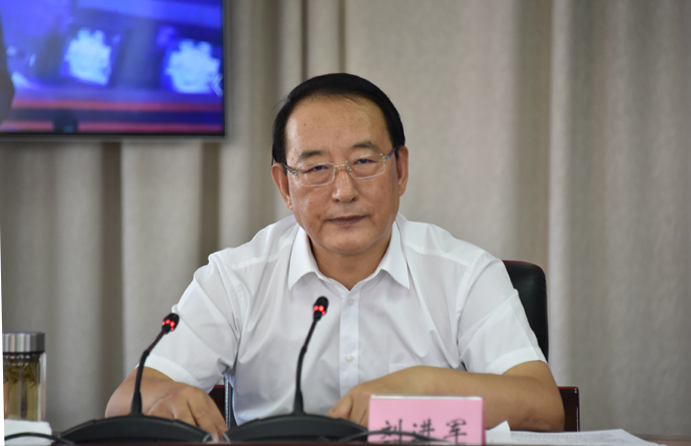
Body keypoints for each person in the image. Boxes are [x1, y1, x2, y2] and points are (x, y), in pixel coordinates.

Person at [106, 73, 565, 439]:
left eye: (364, 162)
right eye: (316, 168)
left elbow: (544, 408)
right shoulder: (235, 279)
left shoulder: (464, 274)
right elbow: (124, 402)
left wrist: (420, 385)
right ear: (285, 186)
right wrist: (165, 400)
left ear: (400, 169)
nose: (344, 191)